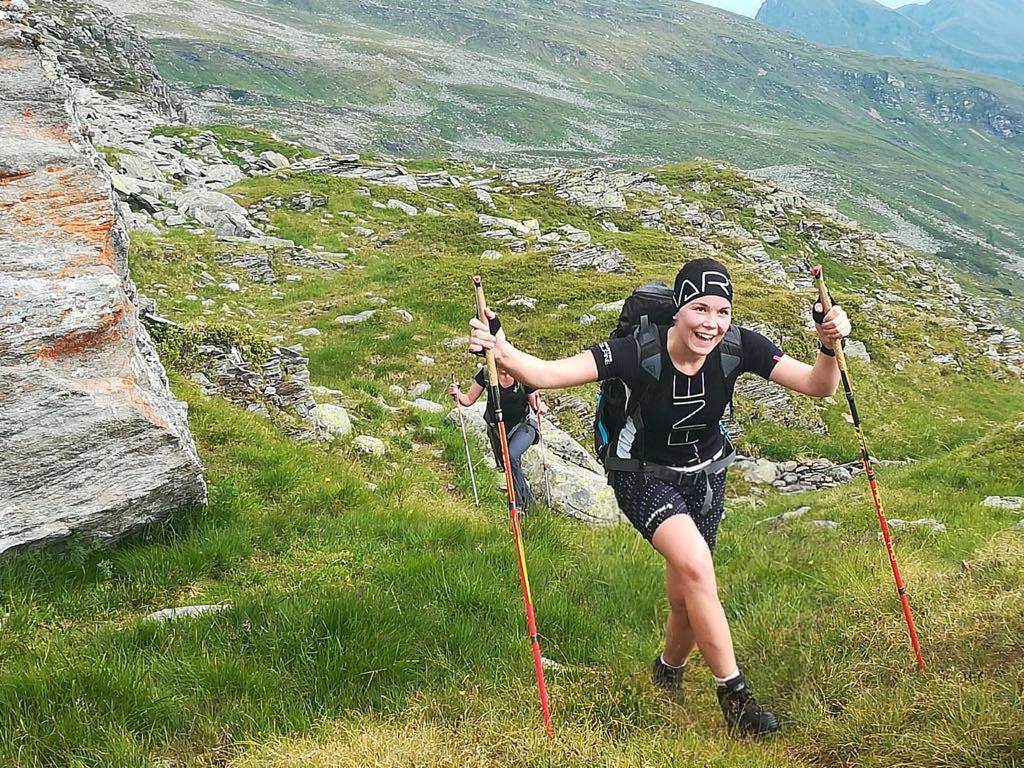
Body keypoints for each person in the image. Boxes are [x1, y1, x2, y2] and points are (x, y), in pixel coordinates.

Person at [468, 258, 850, 738]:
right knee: (697, 566)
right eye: (699, 309)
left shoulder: (739, 346)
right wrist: (501, 349)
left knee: (688, 592)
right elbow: (547, 374)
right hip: (641, 474)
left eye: (722, 311)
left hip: (706, 476)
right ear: (677, 309)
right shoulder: (637, 351)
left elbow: (819, 386)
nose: (711, 324)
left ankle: (667, 671)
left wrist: (828, 345)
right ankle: (735, 699)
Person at [449, 367, 548, 513]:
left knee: (511, 456)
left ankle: (525, 506)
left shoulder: (522, 373)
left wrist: (540, 406)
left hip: (523, 427)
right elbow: (468, 400)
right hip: (497, 431)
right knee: (508, 467)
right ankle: (525, 506)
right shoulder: (486, 374)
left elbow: (535, 404)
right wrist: (457, 394)